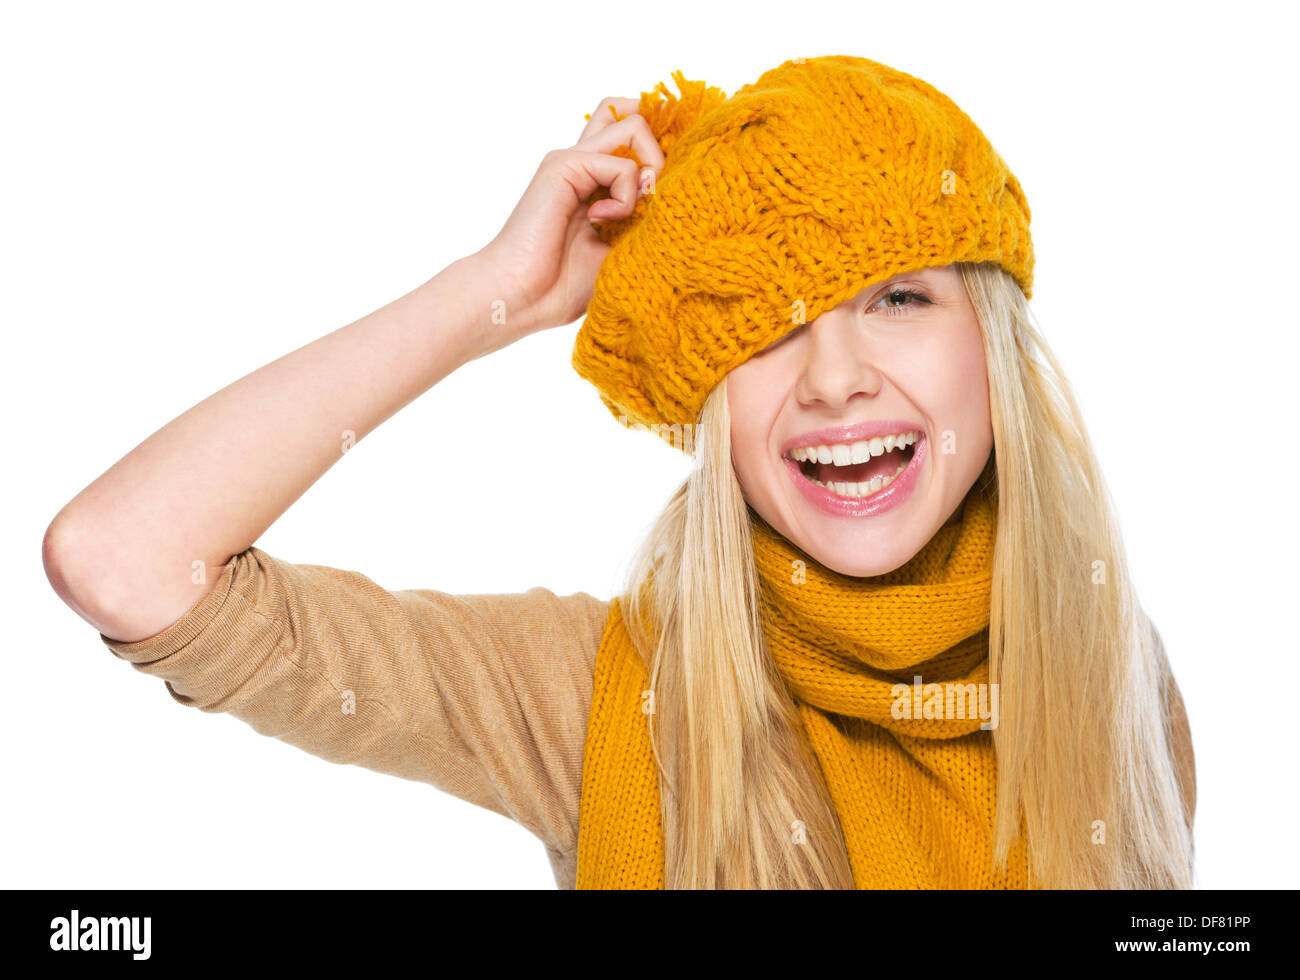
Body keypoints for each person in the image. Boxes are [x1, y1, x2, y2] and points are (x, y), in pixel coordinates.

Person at [42, 55, 1195, 890]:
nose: (834, 378)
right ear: (709, 399)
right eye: (762, 326)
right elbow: (126, 557)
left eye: (896, 298)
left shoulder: (1106, 676)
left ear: (987, 345)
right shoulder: (596, 697)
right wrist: (497, 294)